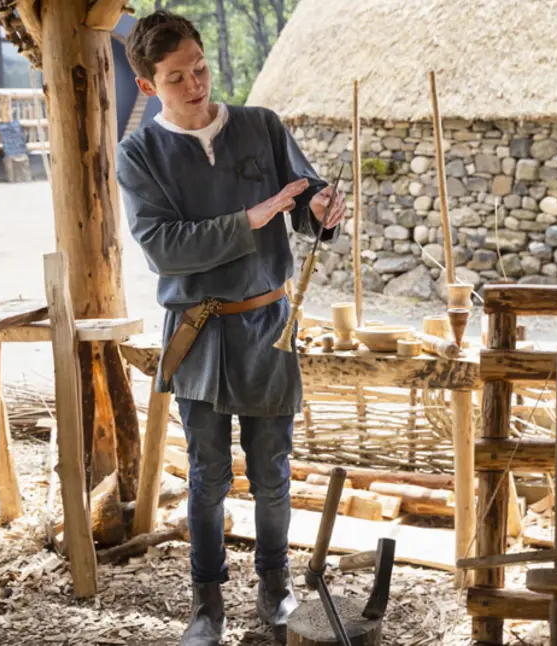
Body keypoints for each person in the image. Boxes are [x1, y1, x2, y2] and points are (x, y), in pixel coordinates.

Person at [116, 10, 346, 646]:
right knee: (208, 472)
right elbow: (164, 248)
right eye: (175, 78)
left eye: (200, 69)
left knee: (272, 469)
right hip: (199, 332)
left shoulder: (260, 127)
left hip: (269, 324)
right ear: (146, 86)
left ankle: (274, 585)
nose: (195, 85)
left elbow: (306, 204)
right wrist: (251, 218)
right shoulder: (139, 153)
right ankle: (206, 604)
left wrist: (323, 210)